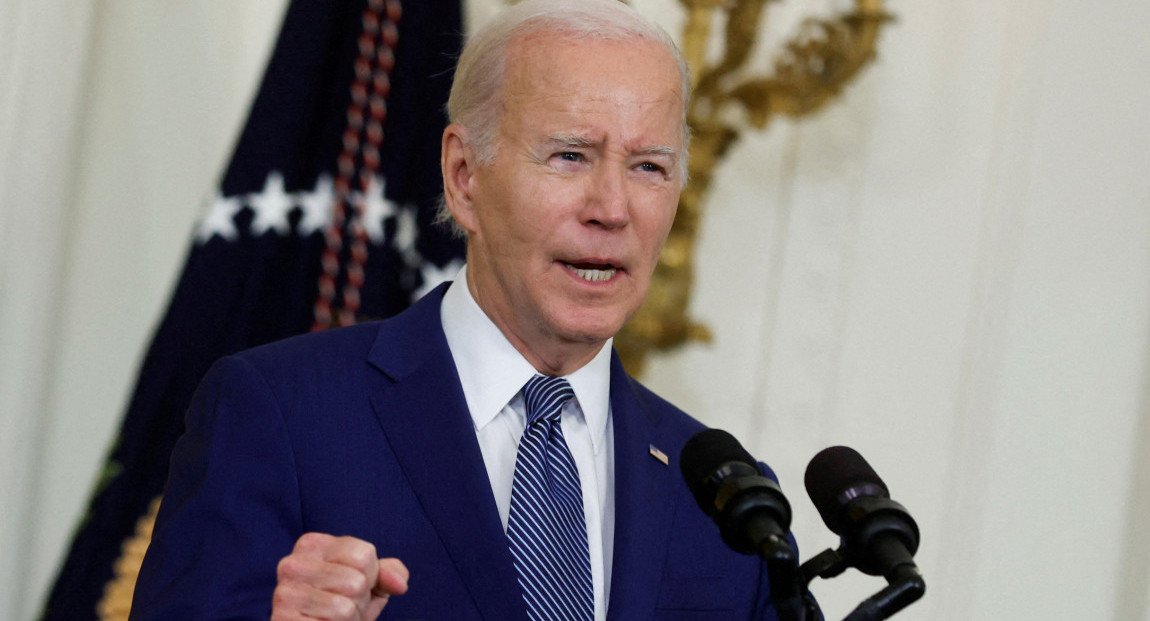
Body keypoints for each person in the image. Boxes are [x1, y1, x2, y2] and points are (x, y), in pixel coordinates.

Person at [130, 1, 802, 619]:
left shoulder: (723, 499)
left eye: (649, 167)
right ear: (464, 176)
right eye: (570, 156)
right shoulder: (279, 414)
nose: (613, 208)